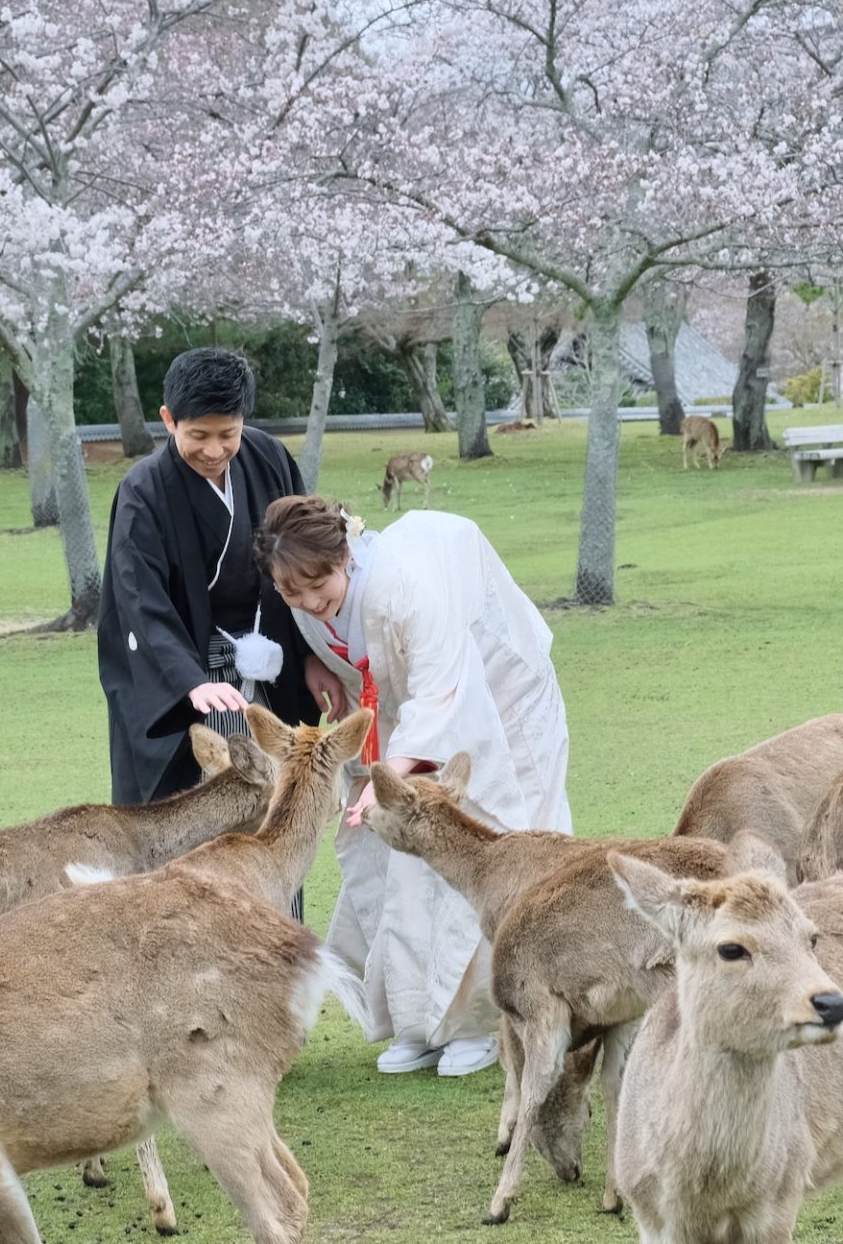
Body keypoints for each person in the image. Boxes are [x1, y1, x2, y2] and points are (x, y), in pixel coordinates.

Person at [254, 495, 572, 1077]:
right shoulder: (307, 600)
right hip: (397, 717)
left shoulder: (408, 587)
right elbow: (354, 664)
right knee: (383, 853)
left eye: (318, 586)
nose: (308, 605)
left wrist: (393, 775)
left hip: (489, 696)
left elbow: (444, 689)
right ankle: (419, 1020)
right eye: (291, 594)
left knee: (482, 842)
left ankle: (483, 1022)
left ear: (346, 555)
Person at [96, 350, 343, 915]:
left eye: (227, 433)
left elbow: (299, 566)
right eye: (197, 434)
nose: (213, 450)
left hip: (267, 665)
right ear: (167, 420)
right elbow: (140, 601)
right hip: (182, 671)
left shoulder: (269, 457)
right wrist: (190, 681)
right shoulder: (144, 491)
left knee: (276, 807)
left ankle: (279, 932)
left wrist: (310, 655)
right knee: (190, 820)